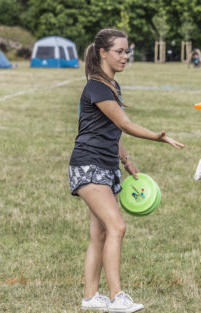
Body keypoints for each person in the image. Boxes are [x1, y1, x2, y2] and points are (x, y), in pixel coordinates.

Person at [68, 28, 184, 313]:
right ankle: (117, 297)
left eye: (126, 51)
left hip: (105, 166)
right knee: (117, 227)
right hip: (88, 165)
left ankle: (90, 298)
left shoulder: (111, 86)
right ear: (102, 53)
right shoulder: (96, 86)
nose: (125, 56)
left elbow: (111, 130)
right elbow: (124, 124)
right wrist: (157, 136)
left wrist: (128, 162)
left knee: (100, 234)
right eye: (119, 51)